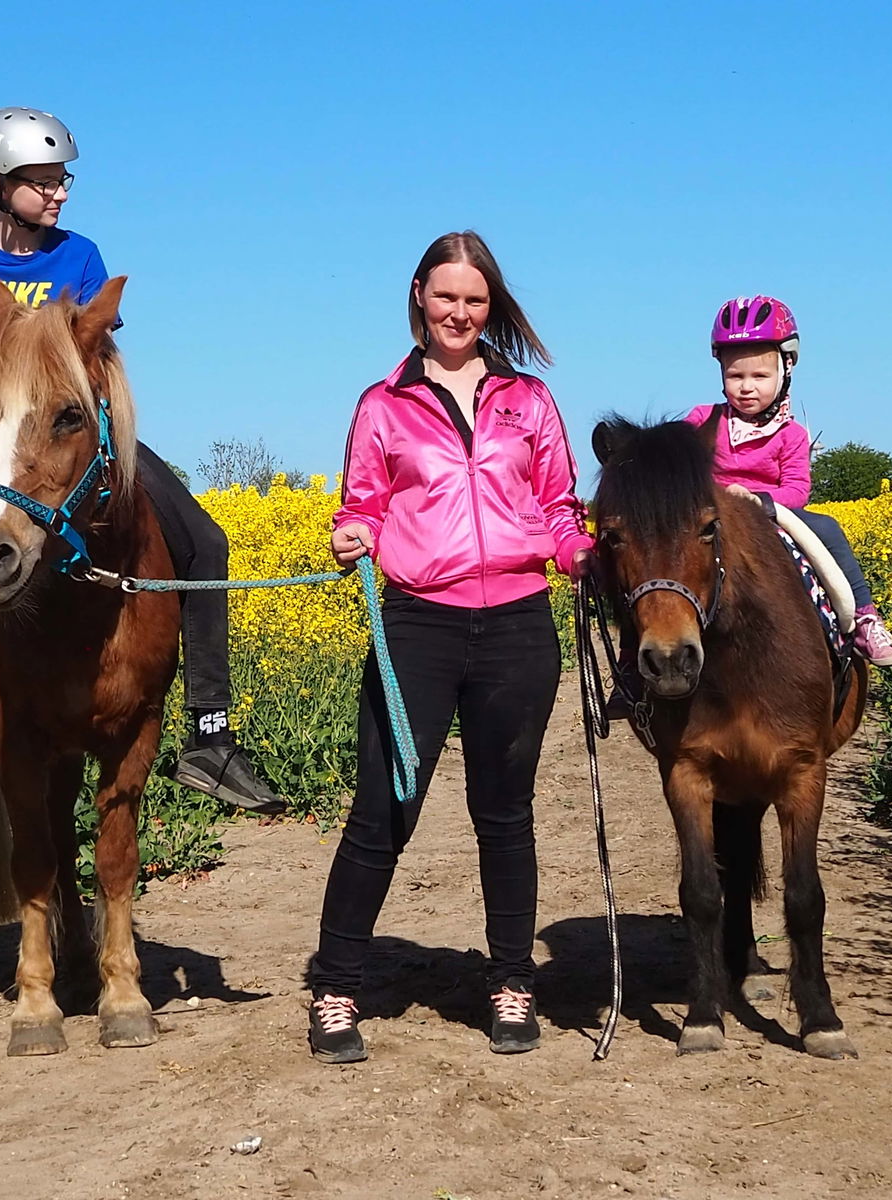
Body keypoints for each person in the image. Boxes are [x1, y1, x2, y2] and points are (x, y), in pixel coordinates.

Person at [0, 107, 283, 816]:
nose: (59, 193)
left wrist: (67, 428)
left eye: (62, 179)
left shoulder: (80, 255)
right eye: (42, 182)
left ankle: (211, 736)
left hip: (78, 432)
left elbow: (102, 363)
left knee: (205, 538)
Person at [305, 231, 592, 1064]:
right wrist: (351, 533)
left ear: (490, 305)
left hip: (517, 625)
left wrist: (579, 558)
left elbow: (558, 504)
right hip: (417, 627)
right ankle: (335, 987)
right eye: (446, 297)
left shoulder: (528, 400)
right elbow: (360, 501)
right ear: (419, 299)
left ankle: (510, 983)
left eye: (475, 299)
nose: (460, 313)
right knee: (382, 814)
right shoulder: (383, 403)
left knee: (506, 817)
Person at [689, 295, 892, 666]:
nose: (746, 387)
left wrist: (757, 499)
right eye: (734, 375)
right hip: (709, 515)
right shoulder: (702, 419)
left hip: (770, 513)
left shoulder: (791, 434)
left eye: (760, 376)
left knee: (828, 528)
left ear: (785, 371)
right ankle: (632, 660)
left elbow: (796, 491)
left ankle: (865, 619)